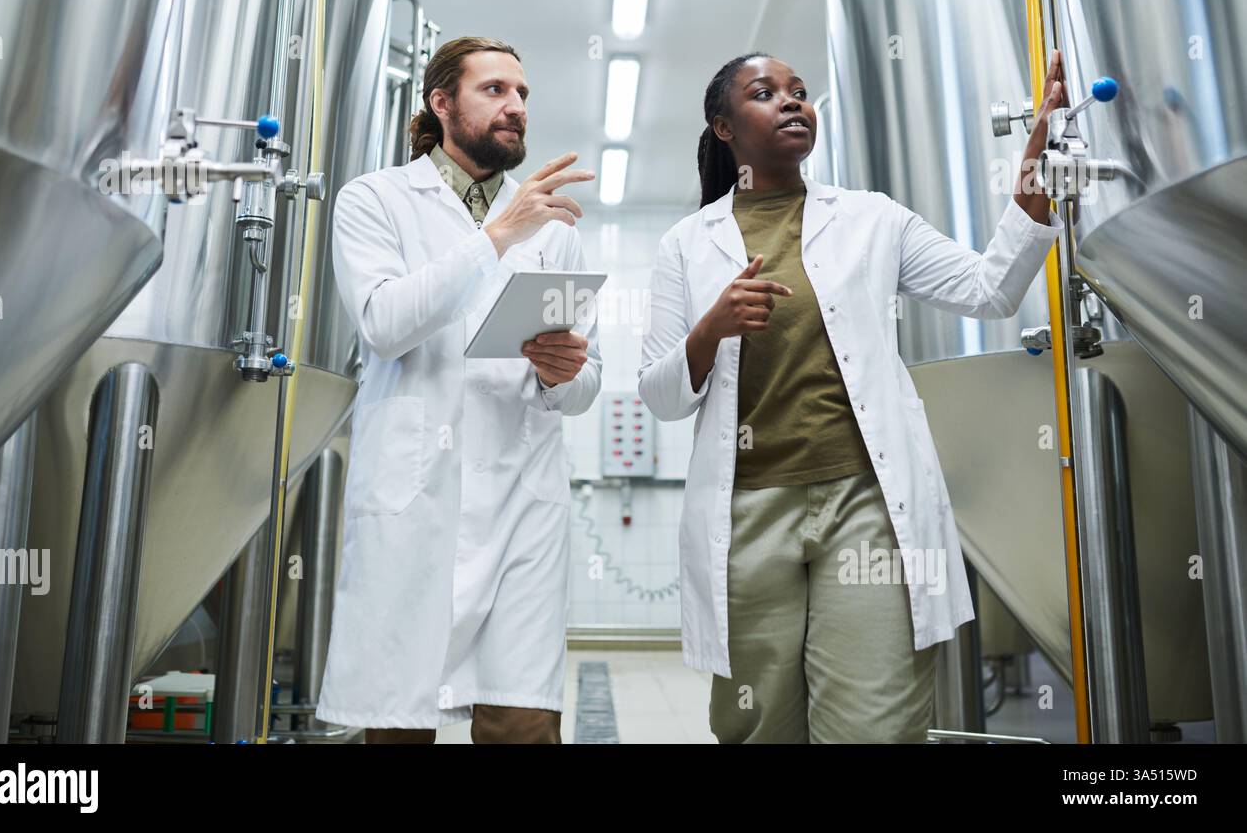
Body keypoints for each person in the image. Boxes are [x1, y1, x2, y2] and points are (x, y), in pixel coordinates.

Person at [637, 50, 1067, 743]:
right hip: (746, 516)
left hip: (865, 507)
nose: (791, 101)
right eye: (765, 92)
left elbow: (991, 288)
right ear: (724, 127)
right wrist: (709, 330)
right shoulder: (686, 245)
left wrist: (1032, 171)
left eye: (800, 92)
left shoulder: (872, 220)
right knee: (758, 726)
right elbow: (660, 396)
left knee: (875, 726)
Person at [317, 36, 601, 743]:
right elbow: (385, 324)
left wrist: (563, 372)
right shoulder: (375, 201)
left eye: (523, 94)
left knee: (522, 724)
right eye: (495, 90)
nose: (516, 107)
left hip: (521, 505)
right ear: (441, 104)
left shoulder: (555, 232)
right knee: (397, 722)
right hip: (416, 500)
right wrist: (497, 236)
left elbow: (585, 382)